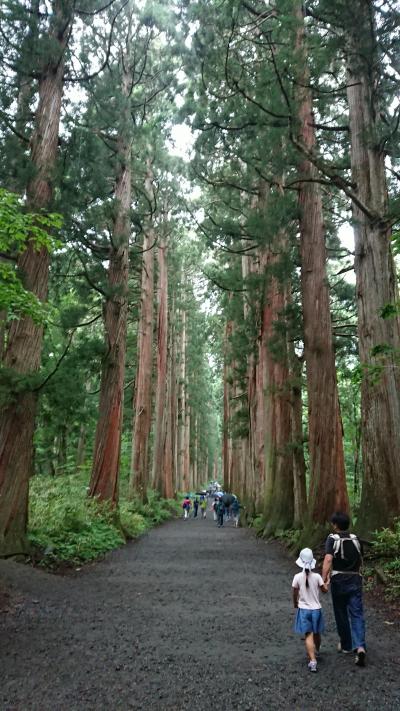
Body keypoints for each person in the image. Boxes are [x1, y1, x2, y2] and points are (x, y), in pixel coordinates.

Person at [322, 511, 366, 667]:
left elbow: (328, 559)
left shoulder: (332, 539)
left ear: (335, 525)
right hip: (355, 578)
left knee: (340, 612)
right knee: (357, 613)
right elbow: (360, 559)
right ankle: (360, 646)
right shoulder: (355, 539)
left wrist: (324, 579)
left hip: (339, 579)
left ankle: (347, 645)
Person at [292, 547, 328, 673]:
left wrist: (295, 603)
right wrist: (326, 583)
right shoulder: (317, 577)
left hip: (304, 610)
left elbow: (295, 592)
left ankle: (312, 661)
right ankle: (316, 651)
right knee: (317, 632)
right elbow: (324, 590)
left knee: (308, 634)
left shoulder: (297, 577)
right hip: (316, 610)